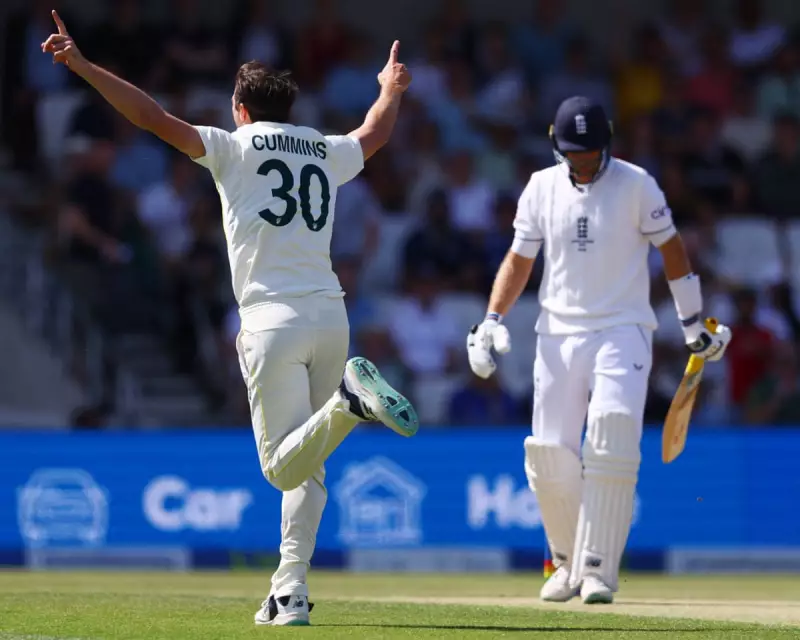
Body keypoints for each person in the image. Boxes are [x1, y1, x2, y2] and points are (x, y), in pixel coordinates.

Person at [42, 11, 418, 626]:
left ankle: (349, 405)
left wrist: (83, 68)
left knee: (280, 468)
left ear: (240, 109)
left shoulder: (232, 145)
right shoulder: (321, 149)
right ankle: (290, 591)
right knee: (308, 463)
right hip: (330, 315)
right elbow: (374, 134)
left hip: (271, 319)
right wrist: (390, 89)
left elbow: (150, 117)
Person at [467, 96, 732, 604]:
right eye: (575, 156)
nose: (584, 165)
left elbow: (673, 249)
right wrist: (491, 319)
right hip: (557, 332)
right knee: (548, 453)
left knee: (611, 433)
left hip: (622, 328)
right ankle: (566, 561)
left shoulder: (637, 184)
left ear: (606, 143)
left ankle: (597, 571)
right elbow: (519, 259)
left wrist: (692, 322)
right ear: (555, 145)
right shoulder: (540, 187)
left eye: (591, 155)